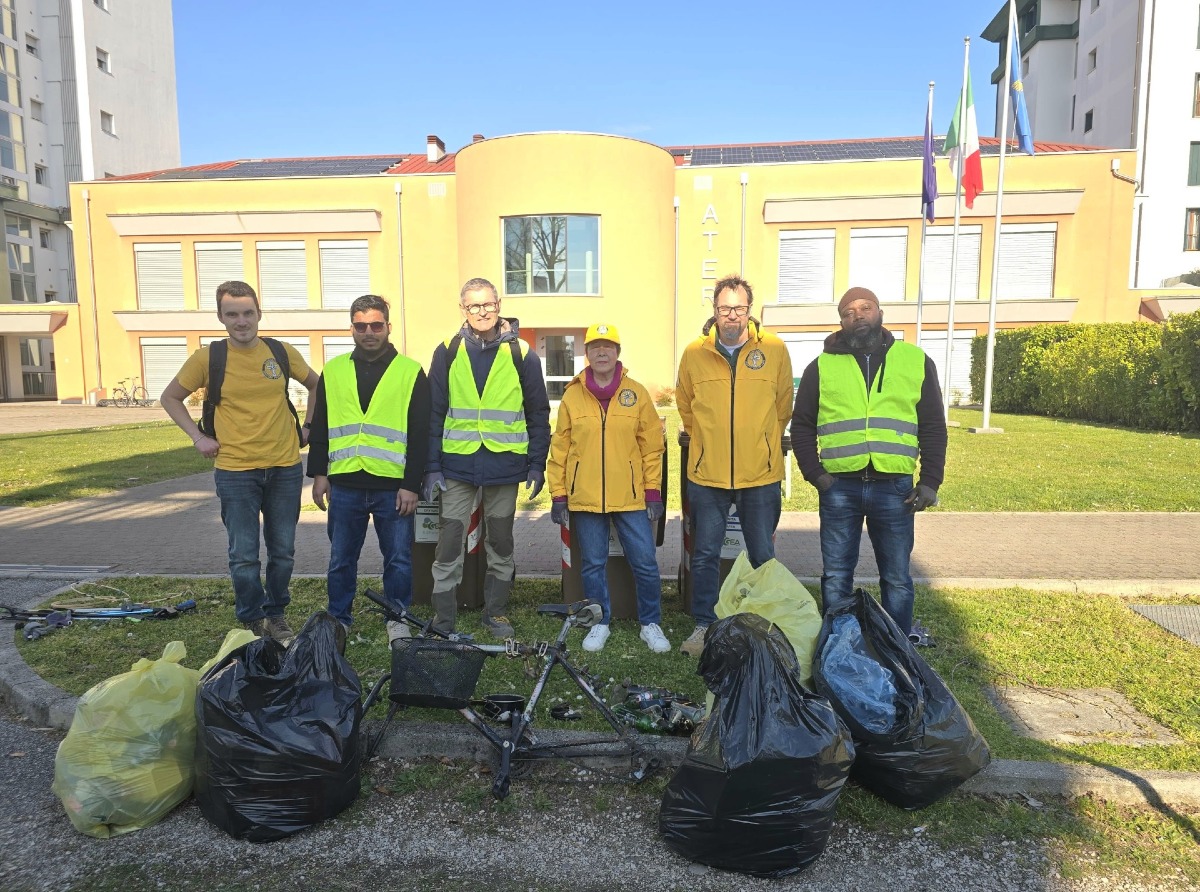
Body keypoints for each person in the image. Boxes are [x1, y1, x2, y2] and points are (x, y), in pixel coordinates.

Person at [160, 280, 318, 645]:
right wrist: (198, 437)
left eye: (248, 313)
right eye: (232, 314)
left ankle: (275, 615)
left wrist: (308, 426)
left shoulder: (280, 352)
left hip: (284, 467)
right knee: (244, 555)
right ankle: (250, 619)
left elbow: (317, 385)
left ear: (259, 313)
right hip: (234, 470)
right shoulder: (208, 358)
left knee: (283, 552)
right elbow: (170, 397)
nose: (241, 321)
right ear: (221, 317)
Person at [790, 286, 947, 636]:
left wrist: (930, 481)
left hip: (895, 488)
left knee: (896, 578)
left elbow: (933, 426)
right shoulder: (821, 367)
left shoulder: (915, 360)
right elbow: (801, 425)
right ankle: (838, 650)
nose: (857, 315)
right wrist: (816, 475)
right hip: (839, 487)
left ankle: (898, 652)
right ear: (841, 322)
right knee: (835, 577)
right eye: (848, 312)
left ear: (880, 313)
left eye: (865, 307)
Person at [421, 277, 551, 638]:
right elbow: (434, 413)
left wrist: (537, 463)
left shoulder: (522, 354)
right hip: (457, 466)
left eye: (488, 304)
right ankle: (443, 621)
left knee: (501, 542)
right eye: (473, 306)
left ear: (499, 305)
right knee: (449, 543)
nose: (482, 312)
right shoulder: (446, 351)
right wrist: (431, 467)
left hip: (504, 465)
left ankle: (495, 615)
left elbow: (537, 413)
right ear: (463, 309)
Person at [675, 274, 793, 657]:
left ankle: (764, 625)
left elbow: (782, 407)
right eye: (724, 308)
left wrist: (759, 443)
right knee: (705, 553)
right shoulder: (694, 353)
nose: (732, 316)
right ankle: (704, 626)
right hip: (708, 476)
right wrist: (707, 444)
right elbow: (686, 404)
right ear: (714, 310)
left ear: (749, 310)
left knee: (762, 553)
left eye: (739, 308)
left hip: (759, 474)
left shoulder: (773, 349)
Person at [305, 294, 430, 644]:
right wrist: (319, 474)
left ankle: (398, 618)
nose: (369, 332)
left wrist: (412, 485)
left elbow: (420, 433)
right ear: (352, 329)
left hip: (393, 486)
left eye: (376, 325)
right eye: (361, 326)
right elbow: (323, 425)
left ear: (388, 327)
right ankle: (339, 618)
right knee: (341, 558)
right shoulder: (335, 370)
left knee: (399, 559)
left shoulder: (410, 371)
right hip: (344, 484)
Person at [547, 323, 670, 654]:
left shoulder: (636, 393)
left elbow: (651, 446)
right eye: (595, 347)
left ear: (618, 352)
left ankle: (651, 623)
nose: (602, 352)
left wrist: (653, 492)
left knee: (645, 561)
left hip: (630, 499)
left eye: (608, 346)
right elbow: (559, 449)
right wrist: (558, 494)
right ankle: (599, 623)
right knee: (592, 564)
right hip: (585, 499)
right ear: (585, 354)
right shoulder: (573, 395)